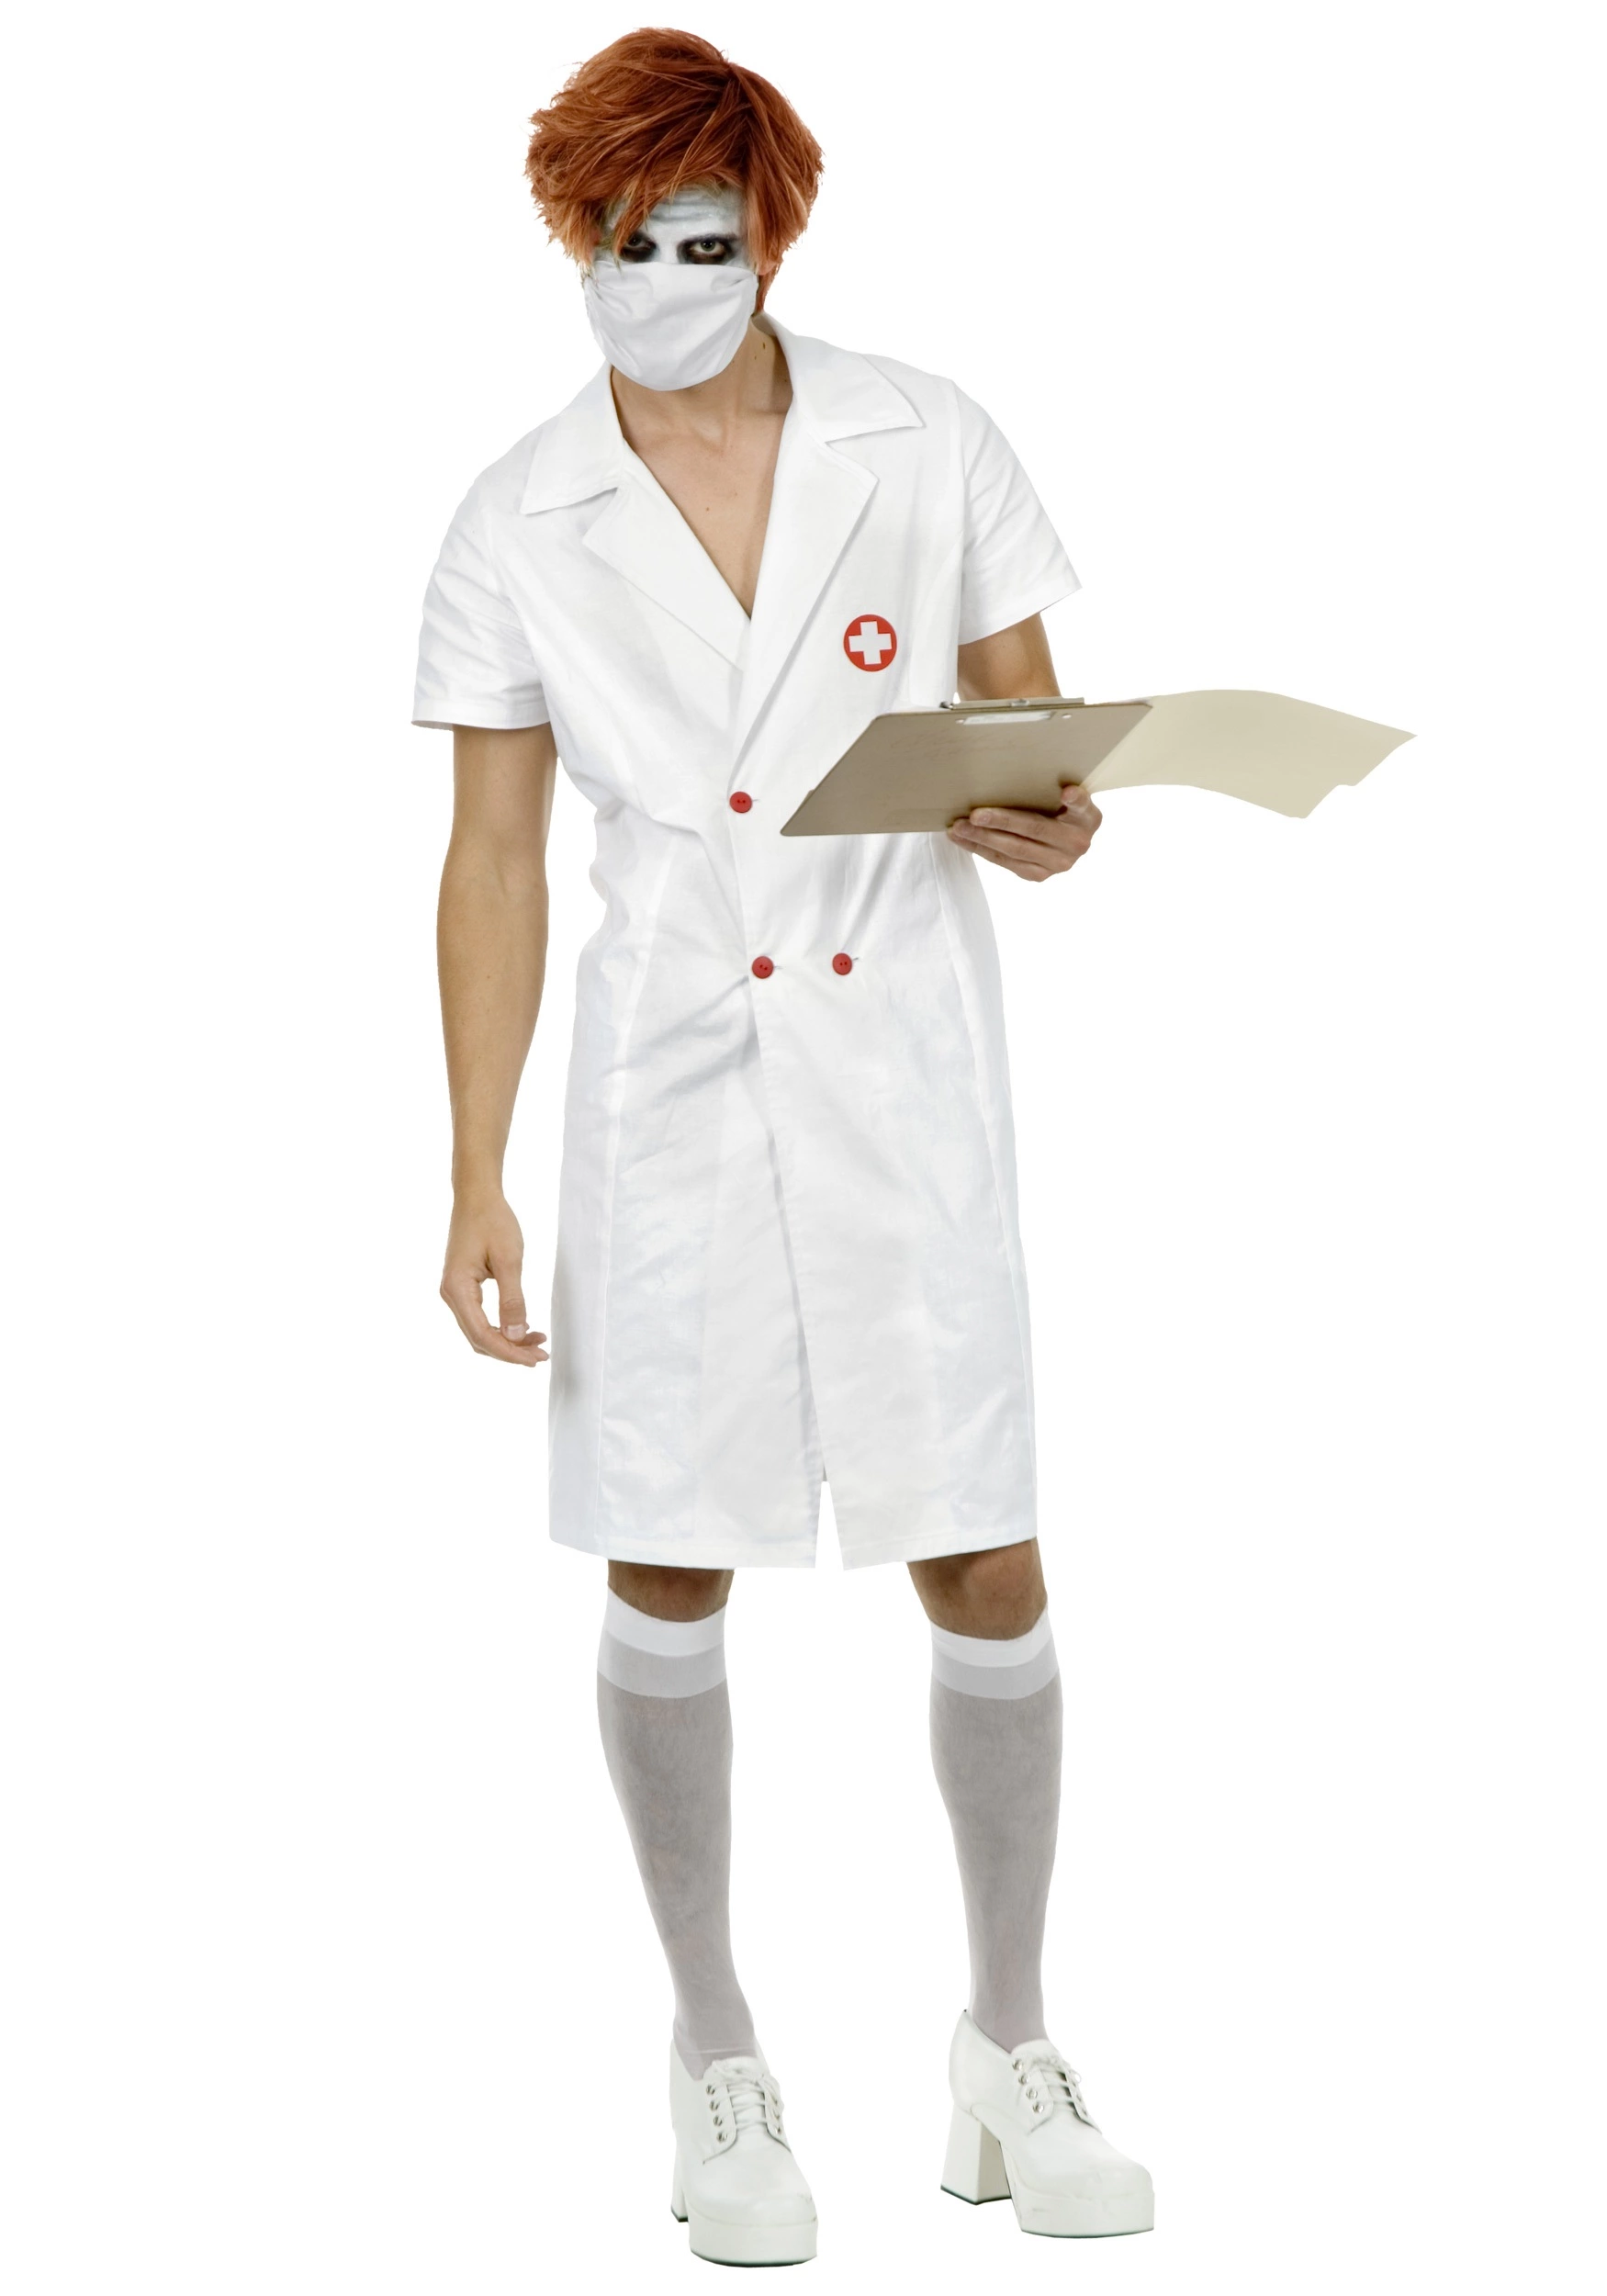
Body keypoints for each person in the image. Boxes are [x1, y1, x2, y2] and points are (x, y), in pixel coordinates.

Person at [413, 27, 1153, 2267]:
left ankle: (1007, 2038)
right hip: (667, 1080)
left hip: (896, 1058)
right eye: (622, 239)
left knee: (985, 1552)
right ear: (572, 239)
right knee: (667, 1552)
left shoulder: (923, 433)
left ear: (772, 237)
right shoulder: (515, 514)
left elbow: (1024, 732)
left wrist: (1047, 816)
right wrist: (472, 1171)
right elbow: (491, 858)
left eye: (702, 237)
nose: (662, 275)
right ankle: (713, 2051)